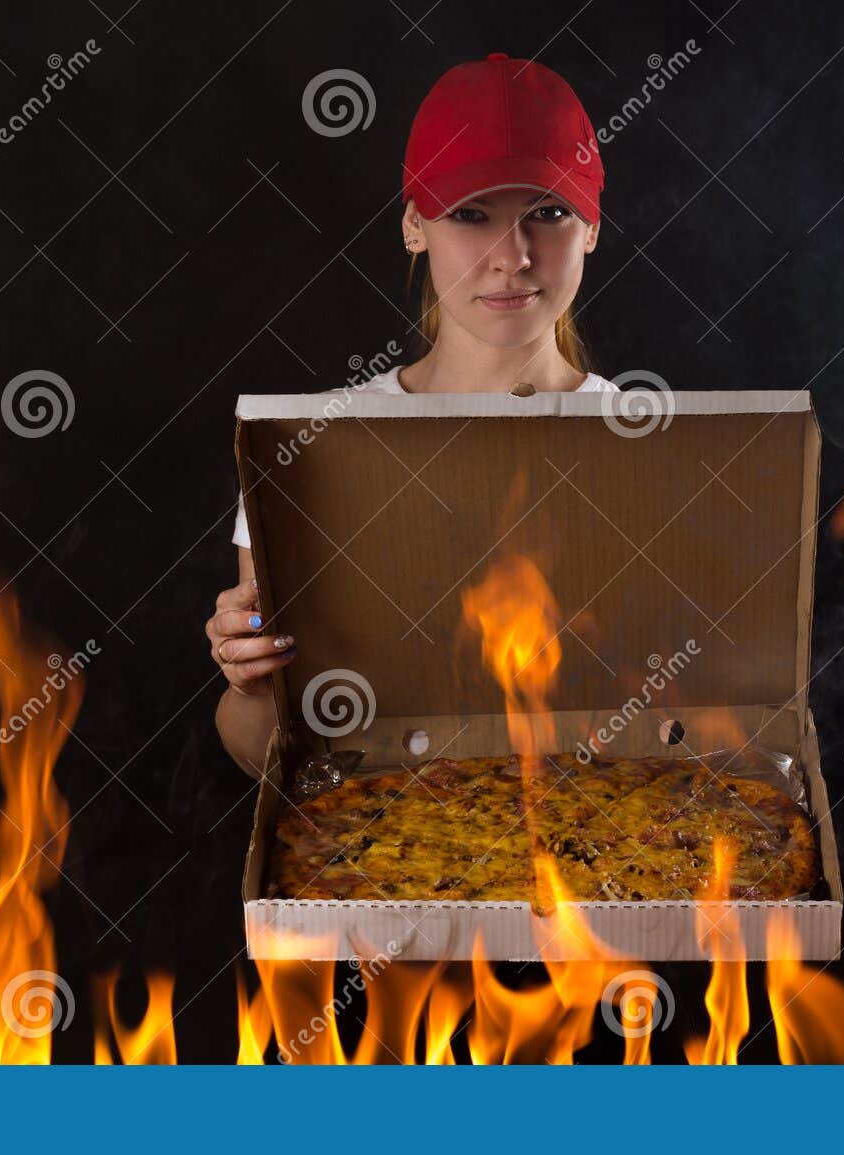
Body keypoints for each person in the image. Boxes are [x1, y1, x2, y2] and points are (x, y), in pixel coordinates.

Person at [210, 51, 619, 777]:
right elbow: (268, 758)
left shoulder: (660, 443)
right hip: (387, 862)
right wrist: (249, 681)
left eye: (549, 211)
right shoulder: (312, 449)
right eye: (471, 213)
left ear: (591, 226)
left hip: (601, 867)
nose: (513, 256)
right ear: (413, 226)